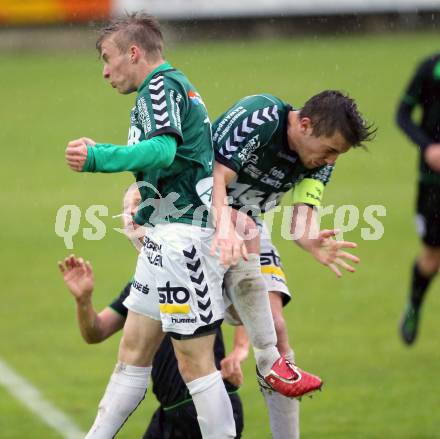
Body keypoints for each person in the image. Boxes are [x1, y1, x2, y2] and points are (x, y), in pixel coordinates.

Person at [64, 13, 310, 439]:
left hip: (184, 236)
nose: (105, 70)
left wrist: (98, 157)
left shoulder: (160, 86)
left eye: (108, 58)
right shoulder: (172, 87)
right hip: (165, 234)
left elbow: (161, 150)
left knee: (194, 364)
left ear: (133, 52)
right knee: (133, 352)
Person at [211, 91, 375, 438]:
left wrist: (312, 239)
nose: (331, 161)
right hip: (203, 218)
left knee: (275, 325)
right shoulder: (259, 118)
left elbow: (302, 219)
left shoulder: (321, 159)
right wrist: (225, 226)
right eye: (330, 150)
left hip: (251, 225)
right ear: (304, 125)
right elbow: (215, 177)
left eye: (338, 155)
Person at [58, 255, 246, 438]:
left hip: (205, 405)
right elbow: (96, 333)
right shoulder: (142, 284)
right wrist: (83, 301)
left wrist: (239, 349)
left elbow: (245, 293)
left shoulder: (193, 265)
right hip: (170, 411)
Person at [397, 53, 440, 345]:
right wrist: (427, 147)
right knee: (432, 257)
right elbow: (402, 115)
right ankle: (414, 304)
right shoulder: (429, 69)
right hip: (433, 184)